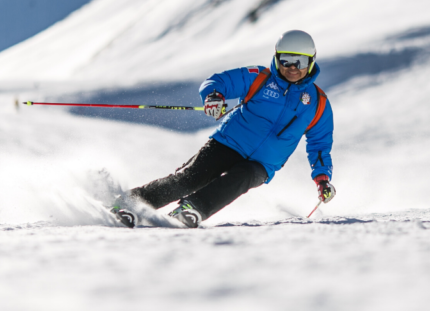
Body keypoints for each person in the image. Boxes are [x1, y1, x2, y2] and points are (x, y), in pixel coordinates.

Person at [112, 30, 335, 228]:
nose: (293, 68)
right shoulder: (260, 77)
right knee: (189, 178)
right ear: (277, 58)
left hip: (263, 164)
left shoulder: (318, 103)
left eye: (300, 62)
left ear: (311, 62)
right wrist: (214, 97)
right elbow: (219, 81)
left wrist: (322, 179)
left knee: (243, 177)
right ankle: (127, 204)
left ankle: (191, 209)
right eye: (286, 60)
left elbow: (319, 145)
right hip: (228, 143)